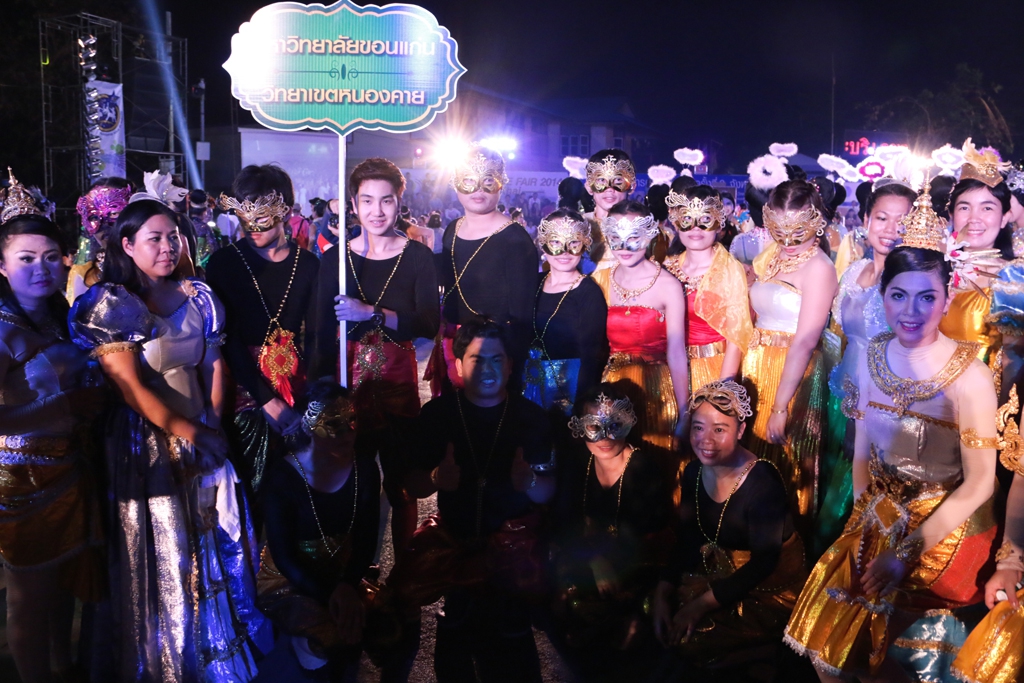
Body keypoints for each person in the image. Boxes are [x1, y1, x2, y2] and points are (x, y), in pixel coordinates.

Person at [784, 192, 999, 682]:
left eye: (927, 297)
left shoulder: (970, 375)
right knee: (835, 657)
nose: (911, 311)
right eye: (898, 295)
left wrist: (905, 552)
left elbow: (980, 483)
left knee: (900, 665)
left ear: (948, 297)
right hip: (876, 515)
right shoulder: (871, 355)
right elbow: (862, 453)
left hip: (944, 526)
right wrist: (864, 523)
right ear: (882, 296)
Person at [70, 199, 270, 681]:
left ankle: (213, 651)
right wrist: (192, 432)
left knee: (210, 544)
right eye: (154, 238)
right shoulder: (111, 304)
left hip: (202, 431)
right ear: (126, 245)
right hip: (145, 445)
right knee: (164, 550)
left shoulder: (199, 295)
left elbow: (213, 364)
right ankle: (162, 661)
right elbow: (132, 390)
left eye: (173, 236)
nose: (167, 247)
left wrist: (212, 425)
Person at [397, 319, 555, 683]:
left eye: (497, 360)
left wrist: (529, 481)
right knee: (454, 659)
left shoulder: (531, 418)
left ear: (510, 365)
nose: (488, 369)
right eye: (477, 359)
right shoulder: (437, 415)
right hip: (456, 547)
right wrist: (435, 479)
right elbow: (412, 485)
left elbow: (549, 490)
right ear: (457, 365)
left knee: (514, 659)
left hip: (513, 553)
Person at [0, 173, 104, 683]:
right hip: (22, 481)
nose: (40, 268)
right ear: (2, 265)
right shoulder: (2, 329)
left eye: (49, 257)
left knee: (65, 585)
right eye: (25, 258)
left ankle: (65, 669)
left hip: (71, 468)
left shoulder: (61, 316)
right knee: (30, 598)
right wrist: (64, 404)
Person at [312, 157, 439, 558]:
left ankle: (404, 573)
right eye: (367, 201)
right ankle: (358, 571)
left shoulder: (417, 256)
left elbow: (428, 323)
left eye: (386, 200)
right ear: (353, 204)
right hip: (349, 387)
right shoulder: (336, 259)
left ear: (400, 201)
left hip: (399, 385)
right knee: (355, 483)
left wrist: (372, 313)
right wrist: (318, 395)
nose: (377, 211)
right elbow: (320, 332)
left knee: (401, 484)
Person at [652, 380, 805, 675]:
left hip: (769, 587)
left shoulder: (762, 483)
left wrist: (699, 606)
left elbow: (764, 563)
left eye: (719, 429)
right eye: (698, 427)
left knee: (691, 642)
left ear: (741, 430)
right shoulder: (694, 472)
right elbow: (687, 538)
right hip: (722, 571)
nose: (705, 440)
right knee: (656, 612)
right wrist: (662, 591)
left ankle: (769, 651)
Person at [257, 381, 408, 680]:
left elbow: (366, 537)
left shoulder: (364, 469)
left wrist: (348, 585)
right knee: (328, 640)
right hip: (291, 580)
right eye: (333, 424)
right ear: (309, 426)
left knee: (389, 629)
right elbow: (285, 558)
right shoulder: (282, 479)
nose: (348, 432)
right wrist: (332, 594)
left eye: (351, 421)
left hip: (342, 570)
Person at [207, 165, 320, 505]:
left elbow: (316, 338)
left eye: (263, 214)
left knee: (301, 496)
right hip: (243, 394)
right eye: (245, 214)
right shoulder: (224, 264)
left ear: (285, 210)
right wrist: (267, 401)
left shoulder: (309, 265)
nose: (253, 225)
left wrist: (312, 402)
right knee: (251, 498)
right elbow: (226, 340)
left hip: (299, 391)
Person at [816, 179, 917, 554]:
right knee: (832, 477)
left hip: (882, 405)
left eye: (902, 220)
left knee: (858, 499)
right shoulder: (854, 270)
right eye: (882, 218)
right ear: (866, 219)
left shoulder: (911, 283)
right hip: (840, 393)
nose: (891, 229)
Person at [550, 385, 672, 678]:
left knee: (628, 635)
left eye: (614, 425)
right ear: (580, 427)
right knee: (565, 607)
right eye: (594, 426)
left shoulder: (643, 468)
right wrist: (595, 559)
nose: (605, 437)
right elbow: (564, 520)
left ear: (628, 422)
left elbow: (653, 537)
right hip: (585, 557)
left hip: (637, 567)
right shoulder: (578, 461)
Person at [743, 179, 837, 529]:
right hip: (755, 367)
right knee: (752, 462)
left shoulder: (820, 268)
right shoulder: (769, 258)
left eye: (799, 231)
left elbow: (805, 341)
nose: (788, 242)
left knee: (788, 466)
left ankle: (789, 551)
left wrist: (781, 406)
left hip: (794, 375)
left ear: (817, 222)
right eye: (779, 231)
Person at [429, 146, 538, 396]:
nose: (478, 190)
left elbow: (522, 318)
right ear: (455, 184)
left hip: (493, 353)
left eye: (487, 180)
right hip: (451, 346)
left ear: (501, 184)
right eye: (469, 180)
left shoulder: (515, 240)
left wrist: (511, 368)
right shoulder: (452, 229)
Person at [601, 200, 689, 456]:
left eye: (633, 237)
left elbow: (676, 352)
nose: (624, 247)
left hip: (656, 392)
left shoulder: (668, 285)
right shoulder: (601, 281)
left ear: (649, 235)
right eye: (616, 237)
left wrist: (685, 411)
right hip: (612, 389)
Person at [663, 185, 753, 393]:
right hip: (667, 374)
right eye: (687, 219)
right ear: (676, 223)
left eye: (705, 219)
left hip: (713, 371)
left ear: (719, 224)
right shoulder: (667, 268)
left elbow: (736, 339)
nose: (696, 228)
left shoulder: (730, 270)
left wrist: (722, 392)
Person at [523, 209, 608, 415]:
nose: (565, 251)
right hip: (528, 389)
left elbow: (591, 357)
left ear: (584, 244)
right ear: (543, 244)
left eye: (574, 242)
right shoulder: (533, 284)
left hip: (568, 396)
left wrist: (580, 408)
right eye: (555, 242)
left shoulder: (589, 293)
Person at [938, 139, 1013, 369]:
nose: (974, 218)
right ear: (952, 215)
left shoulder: (1014, 280)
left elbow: (1015, 363)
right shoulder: (935, 271)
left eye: (987, 208)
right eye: (964, 207)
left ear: (1004, 218)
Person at [67, 176, 132, 301]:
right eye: (94, 217)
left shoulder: (154, 263)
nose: (103, 225)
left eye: (113, 213)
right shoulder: (83, 274)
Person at [583, 149, 637, 294]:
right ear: (589, 186)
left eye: (618, 181)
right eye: (601, 180)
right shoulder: (577, 226)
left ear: (632, 186)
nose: (609, 189)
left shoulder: (644, 228)